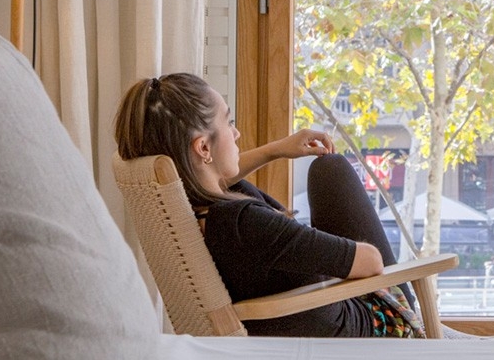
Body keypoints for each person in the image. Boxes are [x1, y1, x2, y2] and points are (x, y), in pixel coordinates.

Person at [114, 72, 419, 338]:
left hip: (307, 307)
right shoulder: (245, 224)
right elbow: (371, 262)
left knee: (327, 170)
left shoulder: (191, 204)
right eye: (229, 122)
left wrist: (277, 150)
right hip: (371, 321)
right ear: (204, 147)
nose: (236, 134)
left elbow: (220, 178)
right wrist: (322, 250)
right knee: (333, 170)